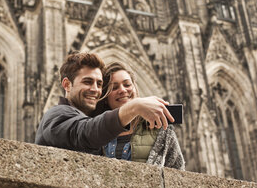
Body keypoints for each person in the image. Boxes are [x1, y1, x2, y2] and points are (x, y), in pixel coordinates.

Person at [35, 52, 174, 154]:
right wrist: (134, 107)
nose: (95, 89)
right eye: (87, 82)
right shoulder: (56, 115)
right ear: (67, 84)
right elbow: (84, 133)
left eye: (99, 84)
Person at [95, 62, 185, 169]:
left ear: (135, 89)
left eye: (127, 84)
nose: (123, 90)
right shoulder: (96, 129)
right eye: (114, 88)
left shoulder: (161, 127)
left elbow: (177, 171)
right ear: (105, 97)